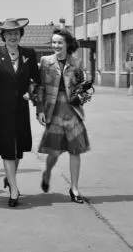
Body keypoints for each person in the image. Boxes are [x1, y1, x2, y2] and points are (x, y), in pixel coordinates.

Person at [0, 18, 39, 207]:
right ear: (3, 36)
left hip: (21, 106)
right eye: (9, 33)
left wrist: (31, 94)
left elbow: (36, 81)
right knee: (8, 147)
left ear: (20, 34)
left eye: (16, 33)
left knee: (19, 147)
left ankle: (10, 177)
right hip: (0, 105)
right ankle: (14, 190)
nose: (13, 36)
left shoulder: (30, 54)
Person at [36, 27, 91, 203]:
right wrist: (40, 110)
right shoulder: (45, 61)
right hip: (53, 110)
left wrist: (84, 94)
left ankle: (74, 188)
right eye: (54, 42)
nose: (56, 45)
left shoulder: (77, 63)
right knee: (54, 151)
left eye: (60, 42)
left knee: (76, 150)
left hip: (73, 111)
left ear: (67, 44)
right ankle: (47, 172)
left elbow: (83, 85)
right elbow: (39, 88)